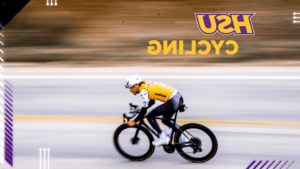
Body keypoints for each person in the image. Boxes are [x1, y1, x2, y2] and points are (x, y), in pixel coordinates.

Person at [125, 74, 187, 146]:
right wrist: (142, 109)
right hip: (178, 97)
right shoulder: (146, 84)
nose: (130, 91)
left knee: (150, 116)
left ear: (135, 86)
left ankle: (163, 138)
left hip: (173, 101)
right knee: (165, 119)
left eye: (130, 88)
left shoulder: (143, 91)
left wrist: (134, 121)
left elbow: (144, 111)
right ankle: (182, 137)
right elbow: (152, 102)